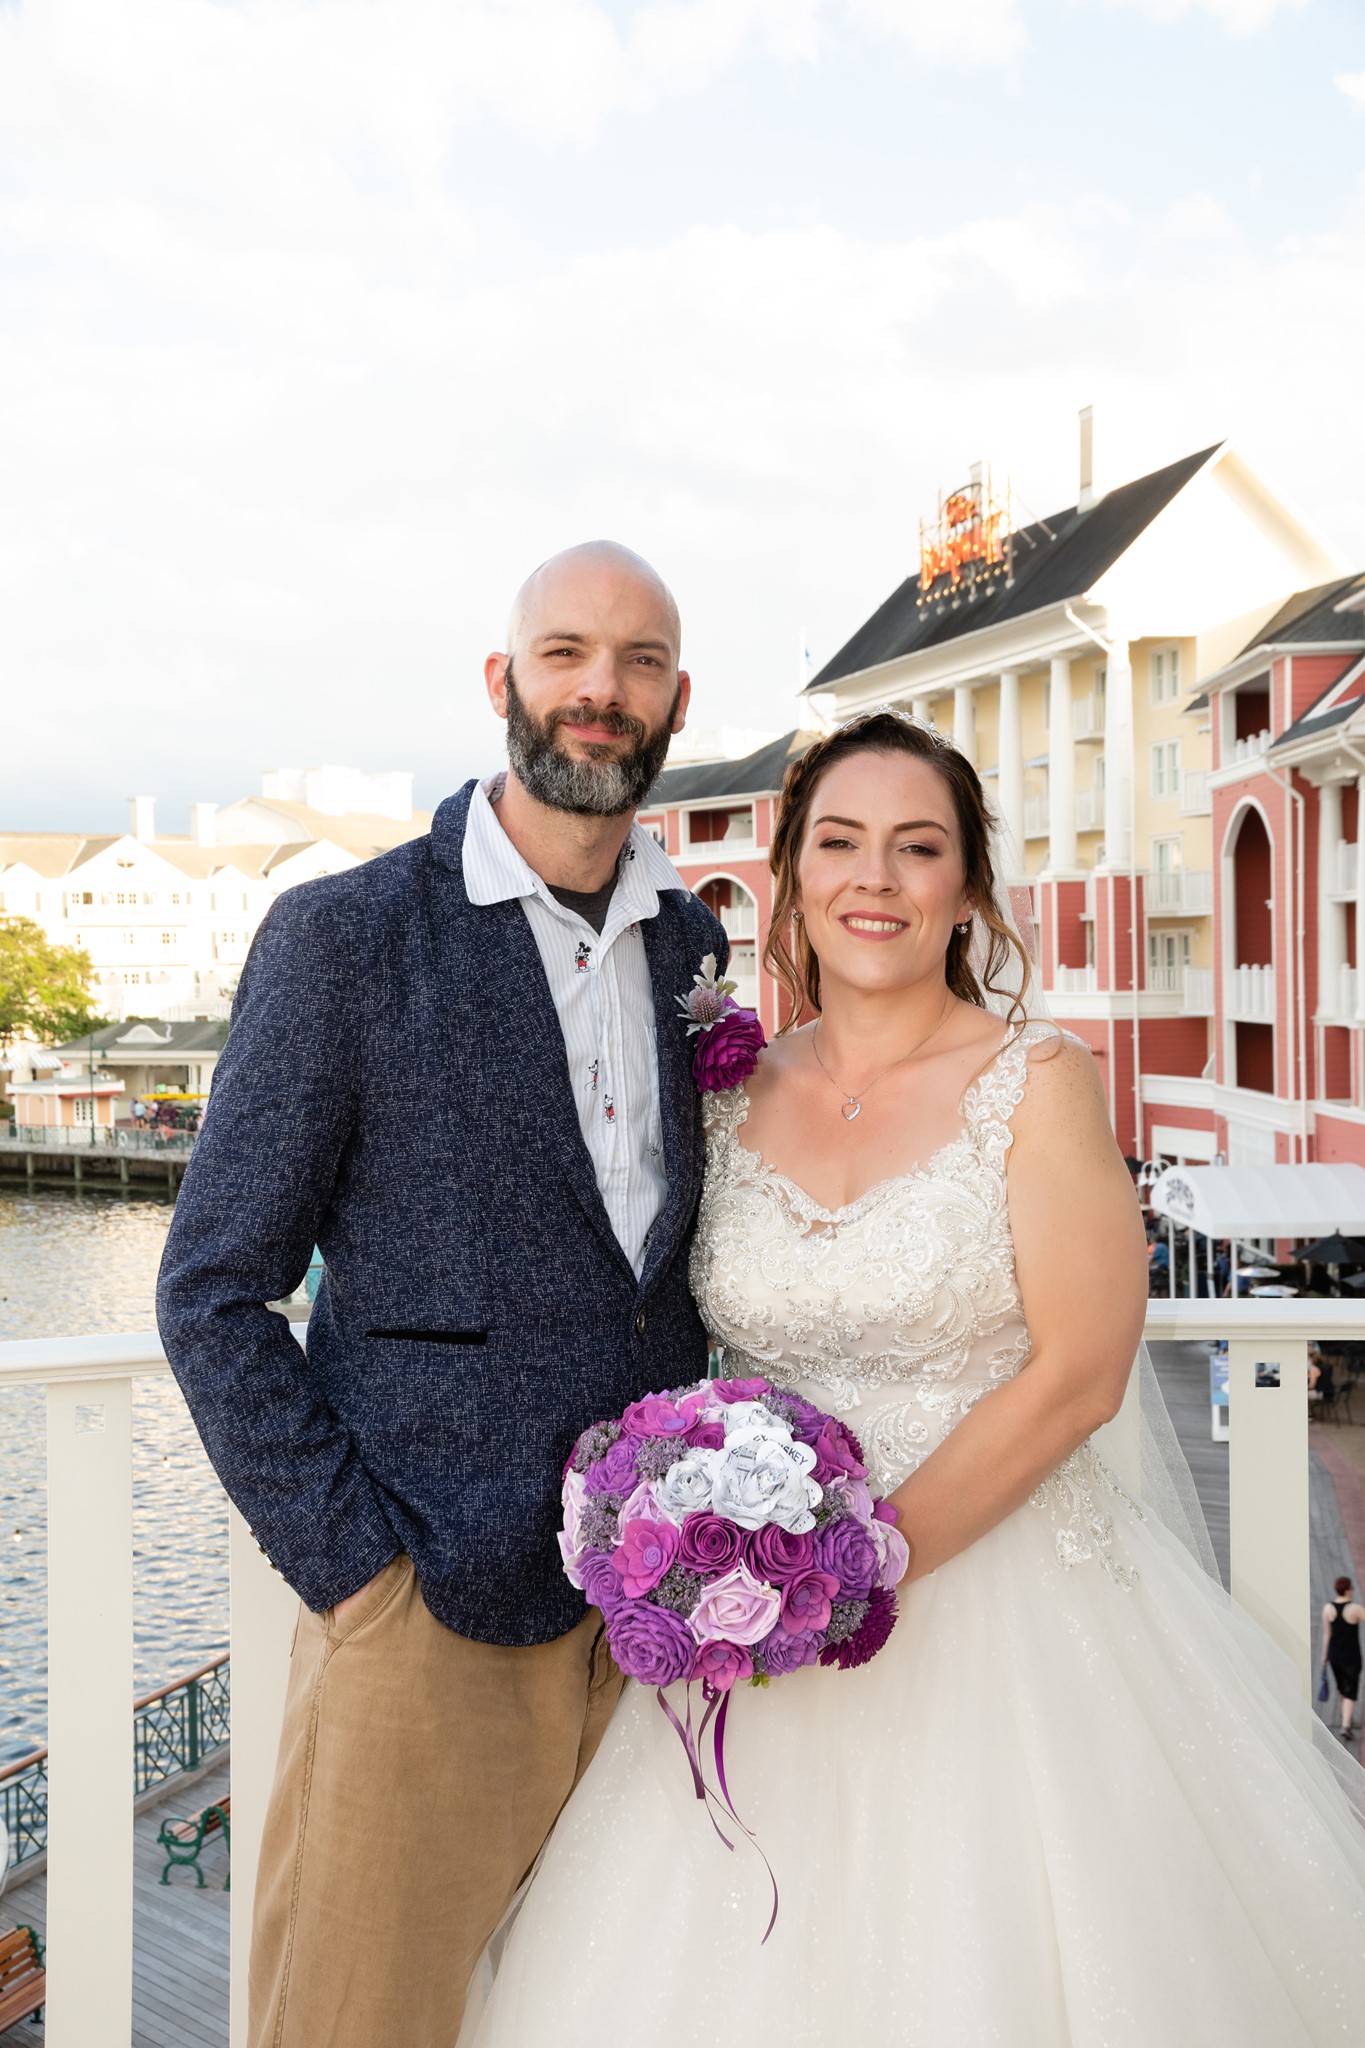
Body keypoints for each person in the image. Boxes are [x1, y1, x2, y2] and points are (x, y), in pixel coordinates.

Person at [463, 710, 1365, 2047]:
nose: (872, 879)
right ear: (790, 875)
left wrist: (854, 1567)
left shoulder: (1038, 1083)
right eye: (838, 842)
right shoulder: (724, 1085)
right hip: (744, 1625)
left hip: (998, 1604)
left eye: (915, 847)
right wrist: (703, 1558)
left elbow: (1078, 1378)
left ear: (964, 888)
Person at [156, 541, 727, 2048]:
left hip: (658, 1622)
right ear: (504, 681)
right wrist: (358, 1571)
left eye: (641, 661)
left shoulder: (695, 943)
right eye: (566, 654)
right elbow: (214, 1288)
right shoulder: (345, 938)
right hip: (429, 1618)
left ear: (676, 700)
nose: (601, 691)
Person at [1324, 1576, 1365, 1740]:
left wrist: (1324, 1657)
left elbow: (1327, 1634)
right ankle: (1346, 1725)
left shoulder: (1328, 1608)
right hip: (1351, 1656)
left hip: (1334, 1655)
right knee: (1351, 1689)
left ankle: (1344, 1717)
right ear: (1348, 1590)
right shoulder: (1354, 1609)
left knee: (1342, 1688)